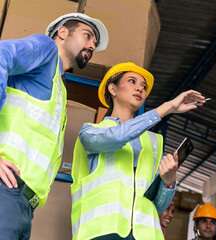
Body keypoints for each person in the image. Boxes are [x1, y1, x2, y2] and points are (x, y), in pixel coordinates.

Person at [0, 13, 108, 239]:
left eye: (95, 44)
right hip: (5, 188)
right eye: (87, 36)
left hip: (24, 204)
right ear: (62, 33)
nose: (92, 46)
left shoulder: (59, 85)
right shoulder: (45, 49)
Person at [70, 62, 206, 240]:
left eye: (143, 86)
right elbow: (118, 136)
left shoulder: (153, 142)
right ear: (112, 88)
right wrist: (167, 107)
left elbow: (157, 206)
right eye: (132, 81)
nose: (140, 89)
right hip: (100, 231)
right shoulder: (90, 132)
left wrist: (169, 181)